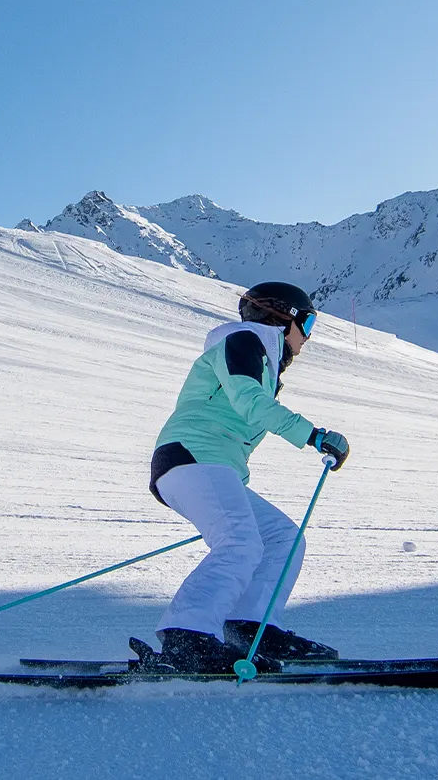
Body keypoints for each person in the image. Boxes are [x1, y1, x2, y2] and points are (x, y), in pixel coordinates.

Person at [142, 282, 351, 673]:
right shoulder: (242, 340)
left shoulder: (259, 354)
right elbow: (250, 403)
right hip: (191, 456)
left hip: (210, 465)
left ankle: (250, 626)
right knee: (239, 541)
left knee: (282, 539)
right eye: (306, 322)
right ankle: (184, 634)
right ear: (283, 316)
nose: (308, 336)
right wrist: (313, 435)